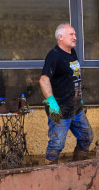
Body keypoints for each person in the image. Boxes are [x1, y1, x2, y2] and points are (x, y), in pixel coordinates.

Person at [39, 23, 93, 165]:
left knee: (86, 136)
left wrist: (79, 100)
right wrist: (52, 103)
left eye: (75, 34)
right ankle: (51, 174)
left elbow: (72, 79)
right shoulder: (54, 55)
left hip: (75, 108)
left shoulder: (72, 53)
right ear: (60, 37)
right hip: (57, 108)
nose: (75, 37)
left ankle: (77, 168)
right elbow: (43, 80)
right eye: (72, 35)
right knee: (56, 145)